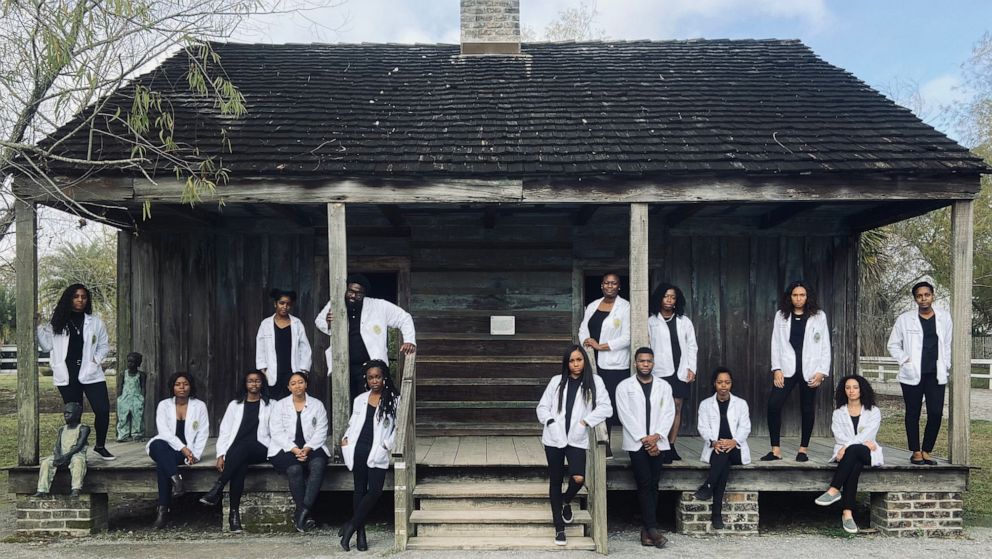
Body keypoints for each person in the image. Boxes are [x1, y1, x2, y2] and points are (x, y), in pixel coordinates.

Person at [536, 344, 612, 546]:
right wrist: (551, 422)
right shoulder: (556, 382)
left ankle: (566, 501)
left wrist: (585, 422)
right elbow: (542, 407)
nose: (576, 364)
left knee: (578, 478)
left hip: (577, 437)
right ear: (566, 363)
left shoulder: (595, 382)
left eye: (579, 359)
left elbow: (606, 407)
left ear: (585, 361)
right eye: (571, 360)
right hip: (554, 437)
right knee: (555, 480)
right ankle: (559, 528)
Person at [37, 283, 114, 460]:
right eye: (76, 296)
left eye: (83, 297)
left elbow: (103, 345)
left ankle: (100, 446)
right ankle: (75, 449)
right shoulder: (57, 323)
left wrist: (96, 360)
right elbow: (46, 345)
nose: (80, 300)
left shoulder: (95, 322)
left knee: (102, 410)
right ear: (69, 299)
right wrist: (38, 327)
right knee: (74, 412)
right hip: (67, 372)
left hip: (91, 371)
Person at [761, 280, 830, 462]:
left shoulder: (819, 316)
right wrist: (776, 369)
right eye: (795, 295)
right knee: (774, 404)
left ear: (808, 297)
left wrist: (822, 371)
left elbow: (825, 345)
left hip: (810, 369)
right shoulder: (781, 316)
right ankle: (775, 450)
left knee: (807, 408)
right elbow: (775, 343)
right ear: (790, 297)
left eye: (802, 295)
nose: (798, 299)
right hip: (787, 368)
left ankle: (803, 450)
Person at [317, 274, 416, 400]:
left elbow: (404, 318)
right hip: (343, 365)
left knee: (370, 401)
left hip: (369, 366)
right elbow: (319, 321)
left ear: (364, 294)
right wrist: (328, 322)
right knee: (343, 401)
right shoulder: (335, 304)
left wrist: (409, 341)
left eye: (358, 293)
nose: (353, 296)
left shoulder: (379, 306)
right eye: (351, 291)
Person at [615, 347, 675, 548]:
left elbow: (669, 412)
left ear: (653, 363)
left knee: (654, 483)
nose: (646, 364)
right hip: (636, 442)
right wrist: (645, 439)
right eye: (642, 361)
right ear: (635, 363)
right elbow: (625, 415)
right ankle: (653, 529)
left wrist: (656, 437)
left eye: (649, 361)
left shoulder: (664, 386)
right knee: (644, 482)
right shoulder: (624, 386)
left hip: (658, 442)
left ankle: (647, 530)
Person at [887, 281, 951, 465]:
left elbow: (946, 344)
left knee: (936, 412)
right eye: (919, 296)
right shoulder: (905, 319)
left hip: (935, 373)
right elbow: (892, 345)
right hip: (912, 373)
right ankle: (915, 451)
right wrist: (905, 359)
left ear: (933, 295)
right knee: (913, 413)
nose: (923, 299)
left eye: (927, 295)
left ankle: (927, 450)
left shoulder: (944, 318)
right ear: (915, 298)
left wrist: (946, 364)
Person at [199, 370, 272, 533]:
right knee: (239, 466)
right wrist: (220, 455)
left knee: (242, 449)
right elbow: (225, 431)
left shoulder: (270, 404)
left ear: (262, 384)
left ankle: (218, 487)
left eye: (257, 381)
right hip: (239, 451)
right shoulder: (235, 405)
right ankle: (234, 516)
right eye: (250, 381)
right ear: (245, 384)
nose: (254, 384)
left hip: (262, 447)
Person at [339, 360, 400, 551]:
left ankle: (350, 526)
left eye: (378, 377)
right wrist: (346, 438)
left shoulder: (393, 399)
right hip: (358, 447)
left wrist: (386, 445)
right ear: (367, 379)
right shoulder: (360, 399)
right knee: (359, 490)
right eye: (371, 377)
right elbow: (352, 424)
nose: (374, 380)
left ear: (384, 378)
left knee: (374, 491)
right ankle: (360, 534)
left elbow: (398, 428)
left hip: (377, 449)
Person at [814, 375, 883, 534]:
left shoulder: (873, 411)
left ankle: (834, 489)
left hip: (868, 452)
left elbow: (869, 434)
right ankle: (847, 513)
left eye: (855, 387)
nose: (851, 391)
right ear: (843, 391)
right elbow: (839, 435)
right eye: (848, 387)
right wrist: (851, 445)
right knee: (855, 462)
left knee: (853, 451)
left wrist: (846, 447)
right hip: (853, 452)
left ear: (862, 389)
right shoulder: (839, 413)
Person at [146, 372, 209, 529]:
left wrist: (194, 454)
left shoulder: (199, 406)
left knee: (163, 465)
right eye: (178, 384)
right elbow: (164, 432)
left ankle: (163, 510)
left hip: (188, 452)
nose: (182, 387)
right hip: (168, 447)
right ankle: (177, 480)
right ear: (172, 387)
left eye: (185, 384)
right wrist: (183, 448)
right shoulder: (164, 405)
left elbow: (203, 432)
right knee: (157, 445)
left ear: (191, 386)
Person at [267, 371, 329, 533]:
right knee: (294, 469)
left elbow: (321, 430)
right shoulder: (280, 405)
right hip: (284, 448)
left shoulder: (317, 405)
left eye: (300, 382)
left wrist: (307, 448)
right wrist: (294, 450)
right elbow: (276, 432)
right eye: (293, 383)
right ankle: (306, 515)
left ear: (306, 384)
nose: (297, 386)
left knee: (318, 464)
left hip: (312, 446)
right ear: (288, 387)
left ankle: (303, 511)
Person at [577, 272, 630, 458]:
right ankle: (591, 442)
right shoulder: (593, 305)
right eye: (606, 283)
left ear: (619, 286)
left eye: (614, 283)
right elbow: (583, 328)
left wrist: (602, 346)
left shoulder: (625, 307)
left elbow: (628, 337)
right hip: (593, 362)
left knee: (609, 404)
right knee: (593, 400)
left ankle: (606, 445)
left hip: (614, 364)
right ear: (602, 285)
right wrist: (587, 341)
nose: (610, 286)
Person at [693, 367, 751, 530]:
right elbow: (702, 427)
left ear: (731, 384)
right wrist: (713, 442)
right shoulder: (706, 404)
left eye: (727, 382)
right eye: (720, 382)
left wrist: (734, 441)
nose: (723, 386)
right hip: (715, 448)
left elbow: (745, 427)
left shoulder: (741, 404)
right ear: (714, 384)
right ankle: (716, 515)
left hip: (736, 448)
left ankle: (709, 486)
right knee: (723, 464)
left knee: (725, 454)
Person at [647, 283, 697, 464]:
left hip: (680, 369)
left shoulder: (685, 321)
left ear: (677, 301)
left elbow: (692, 346)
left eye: (673, 297)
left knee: (677, 406)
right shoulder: (651, 321)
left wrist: (692, 368)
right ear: (659, 298)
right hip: (660, 370)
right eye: (666, 296)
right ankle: (659, 445)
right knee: (661, 408)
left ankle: (671, 444)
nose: (669, 300)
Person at [256, 289, 312, 400]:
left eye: (288, 304)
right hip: (272, 371)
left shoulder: (297, 323)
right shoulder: (266, 324)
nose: (285, 306)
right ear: (275, 304)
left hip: (292, 370)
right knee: (272, 402)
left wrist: (303, 370)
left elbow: (305, 348)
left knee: (292, 401)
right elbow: (260, 347)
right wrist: (263, 368)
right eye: (281, 303)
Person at [34, 402, 90, 498]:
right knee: (46, 462)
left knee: (78, 462)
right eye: (65, 413)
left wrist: (66, 457)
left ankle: (76, 489)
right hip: (63, 455)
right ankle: (42, 489)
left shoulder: (83, 428)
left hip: (75, 454)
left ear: (77, 415)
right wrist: (58, 456)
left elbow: (79, 446)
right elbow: (58, 445)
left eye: (69, 413)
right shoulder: (62, 429)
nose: (66, 415)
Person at [116, 352, 147, 442]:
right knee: (123, 417)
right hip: (124, 398)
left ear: (138, 363)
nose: (130, 364)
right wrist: (119, 398)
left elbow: (143, 387)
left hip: (137, 398)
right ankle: (122, 434)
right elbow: (120, 386)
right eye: (129, 361)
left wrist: (142, 397)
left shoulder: (141, 375)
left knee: (138, 417)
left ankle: (137, 434)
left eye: (133, 362)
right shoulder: (123, 374)